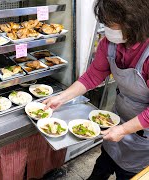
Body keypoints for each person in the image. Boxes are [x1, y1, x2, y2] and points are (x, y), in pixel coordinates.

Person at [43, 0, 149, 179]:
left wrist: (123, 130)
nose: (107, 28)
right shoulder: (110, 44)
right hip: (117, 119)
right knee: (104, 163)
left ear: (133, 21)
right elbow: (93, 75)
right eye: (105, 22)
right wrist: (62, 98)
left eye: (111, 23)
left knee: (129, 174)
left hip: (143, 134)